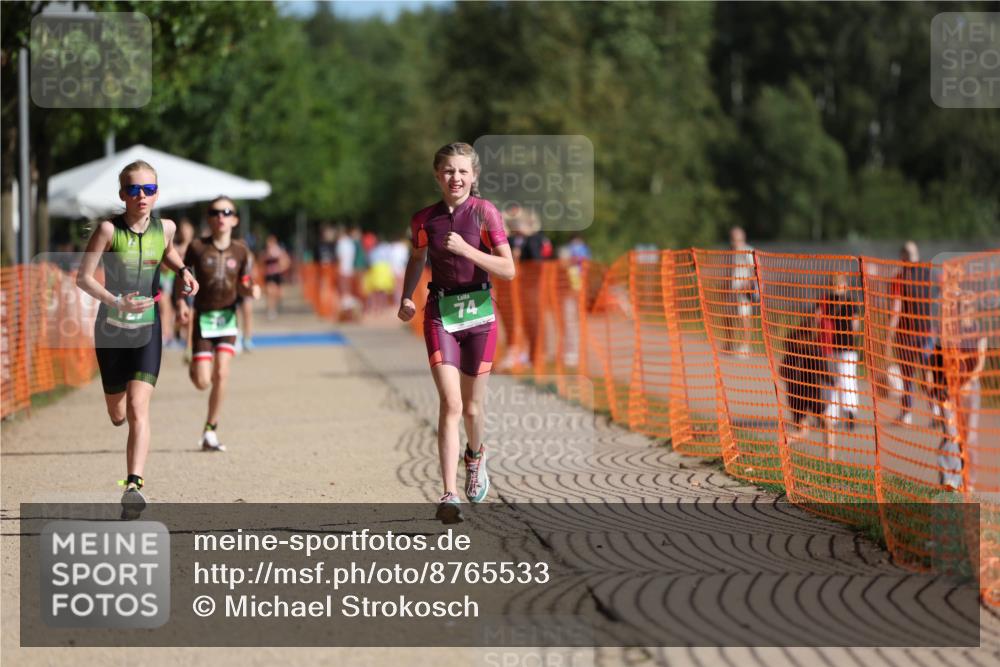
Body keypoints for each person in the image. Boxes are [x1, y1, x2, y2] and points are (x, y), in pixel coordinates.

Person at [397, 142, 515, 523]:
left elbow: (508, 269)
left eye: (463, 171)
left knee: (473, 408)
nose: (456, 178)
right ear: (437, 175)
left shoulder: (484, 212)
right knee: (451, 403)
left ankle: (475, 456)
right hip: (440, 313)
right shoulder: (423, 220)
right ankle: (449, 494)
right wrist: (407, 296)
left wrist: (467, 250)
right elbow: (417, 258)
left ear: (473, 175)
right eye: (449, 170)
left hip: (480, 315)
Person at [75, 160, 199, 517]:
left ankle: (133, 485)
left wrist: (184, 271)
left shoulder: (167, 228)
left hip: (148, 327)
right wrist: (117, 301)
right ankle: (116, 417)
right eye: (133, 189)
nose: (141, 195)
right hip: (112, 329)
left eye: (148, 189)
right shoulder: (108, 231)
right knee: (117, 413)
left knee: (137, 407)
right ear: (122, 194)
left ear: (156, 194)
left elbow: (167, 251)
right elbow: (83, 278)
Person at [175, 197, 260, 452]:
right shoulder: (197, 247)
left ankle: (210, 430)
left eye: (227, 212)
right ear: (209, 218)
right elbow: (182, 277)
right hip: (203, 318)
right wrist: (181, 302)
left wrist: (250, 289)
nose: (221, 216)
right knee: (203, 382)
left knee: (221, 373)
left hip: (227, 319)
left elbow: (244, 282)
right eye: (215, 212)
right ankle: (195, 366)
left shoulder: (242, 251)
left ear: (235, 219)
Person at [930, 291, 987, 491]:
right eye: (961, 305)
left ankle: (968, 481)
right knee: (951, 434)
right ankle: (949, 479)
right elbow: (936, 360)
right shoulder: (948, 331)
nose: (964, 309)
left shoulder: (978, 331)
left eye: (968, 305)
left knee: (969, 438)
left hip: (970, 391)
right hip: (949, 391)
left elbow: (980, 363)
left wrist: (966, 384)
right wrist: (937, 386)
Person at [887, 241, 936, 426]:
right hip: (927, 332)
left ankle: (907, 414)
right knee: (928, 373)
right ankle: (936, 411)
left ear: (903, 256)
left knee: (907, 376)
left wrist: (889, 333)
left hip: (906, 334)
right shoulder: (928, 275)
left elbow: (896, 308)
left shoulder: (900, 278)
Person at [779, 314, 833, 455]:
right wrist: (833, 382)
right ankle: (830, 458)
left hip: (794, 395)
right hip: (812, 394)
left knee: (803, 431)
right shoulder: (813, 350)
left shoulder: (791, 349)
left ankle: (785, 441)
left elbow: (782, 371)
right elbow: (824, 371)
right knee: (827, 424)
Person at [818, 273, 862, 433]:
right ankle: (849, 412)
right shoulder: (850, 302)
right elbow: (855, 325)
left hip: (830, 347)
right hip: (846, 347)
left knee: (832, 381)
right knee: (847, 380)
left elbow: (817, 319)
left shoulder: (825, 300)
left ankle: (831, 415)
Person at [728, 226, 756, 356]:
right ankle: (730, 343)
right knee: (729, 316)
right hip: (733, 290)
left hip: (744, 290)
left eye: (736, 239)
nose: (734, 242)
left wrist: (748, 285)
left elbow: (755, 270)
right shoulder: (731, 252)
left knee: (744, 317)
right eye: (733, 239)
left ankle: (745, 346)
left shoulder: (748, 251)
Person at [260, 234, 291, 320]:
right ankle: (271, 310)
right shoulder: (265, 252)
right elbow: (261, 262)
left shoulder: (279, 251)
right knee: (269, 292)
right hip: (269, 275)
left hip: (277, 275)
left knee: (277, 293)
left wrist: (281, 268)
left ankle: (277, 305)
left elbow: (286, 261)